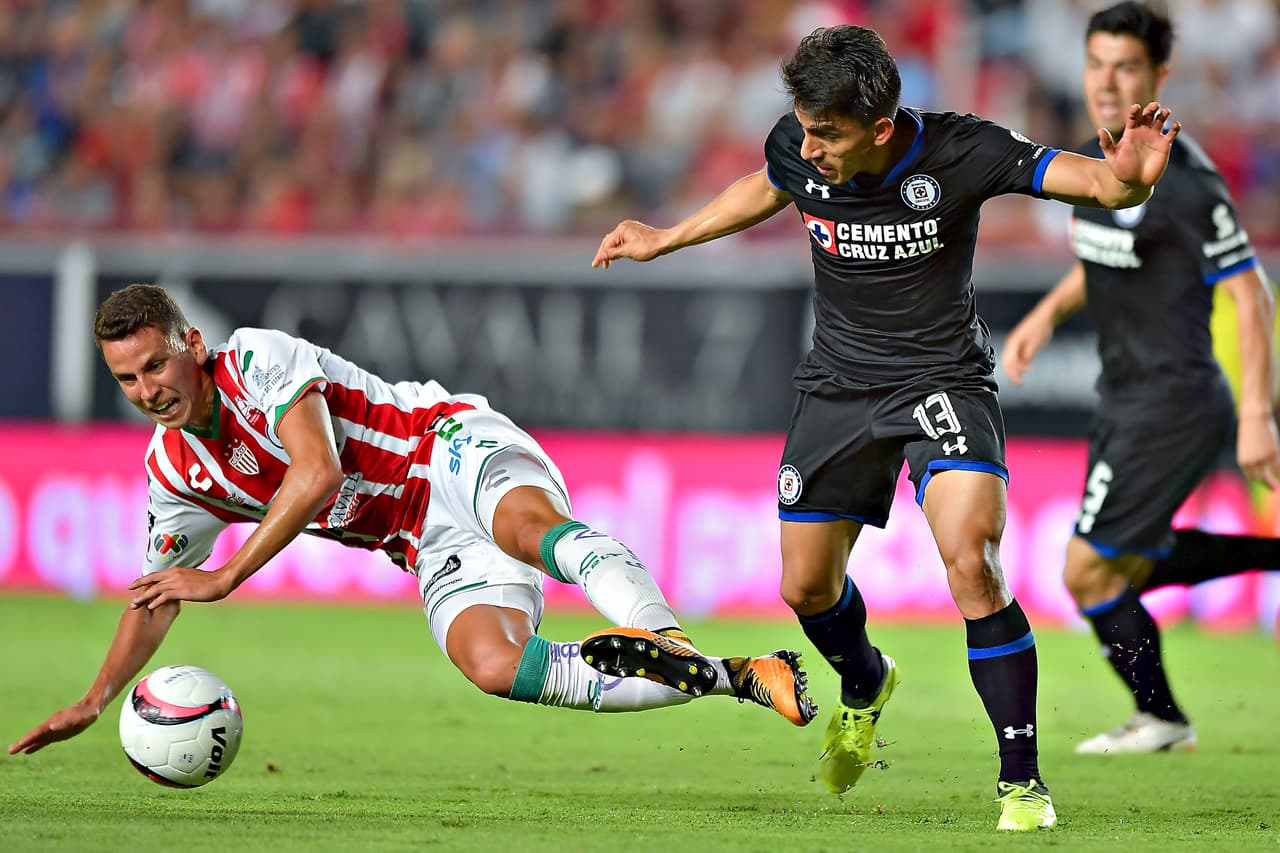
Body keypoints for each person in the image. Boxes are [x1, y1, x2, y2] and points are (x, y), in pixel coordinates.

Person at [589, 22, 1183, 831]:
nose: (810, 148)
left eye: (827, 135)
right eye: (804, 129)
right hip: (837, 388)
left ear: (878, 128)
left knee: (973, 563)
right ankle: (866, 680)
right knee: (805, 587)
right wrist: (667, 238)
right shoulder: (801, 145)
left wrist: (1130, 183)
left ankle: (1022, 782)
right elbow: (770, 183)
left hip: (943, 383)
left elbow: (1093, 181)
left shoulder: (962, 150)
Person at [8, 284, 819, 761]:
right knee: (494, 665)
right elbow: (155, 596)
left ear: (191, 342)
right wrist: (96, 697)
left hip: (447, 447)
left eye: (156, 363)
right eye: (128, 379)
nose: (148, 389)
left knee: (526, 528)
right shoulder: (174, 473)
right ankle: (743, 673)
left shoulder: (255, 359)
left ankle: (662, 635)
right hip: (422, 541)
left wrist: (224, 574)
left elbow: (317, 471)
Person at [1002, 1, 1280, 755]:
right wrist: (1045, 315)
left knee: (1087, 570)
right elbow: (1103, 255)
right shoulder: (1093, 163)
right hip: (1123, 397)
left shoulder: (1186, 179)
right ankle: (1163, 715)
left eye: (1125, 67)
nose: (1106, 81)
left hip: (1175, 400)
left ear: (1159, 75)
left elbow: (1253, 293)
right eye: (1096, 64)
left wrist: (1258, 415)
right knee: (1125, 564)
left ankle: (1161, 717)